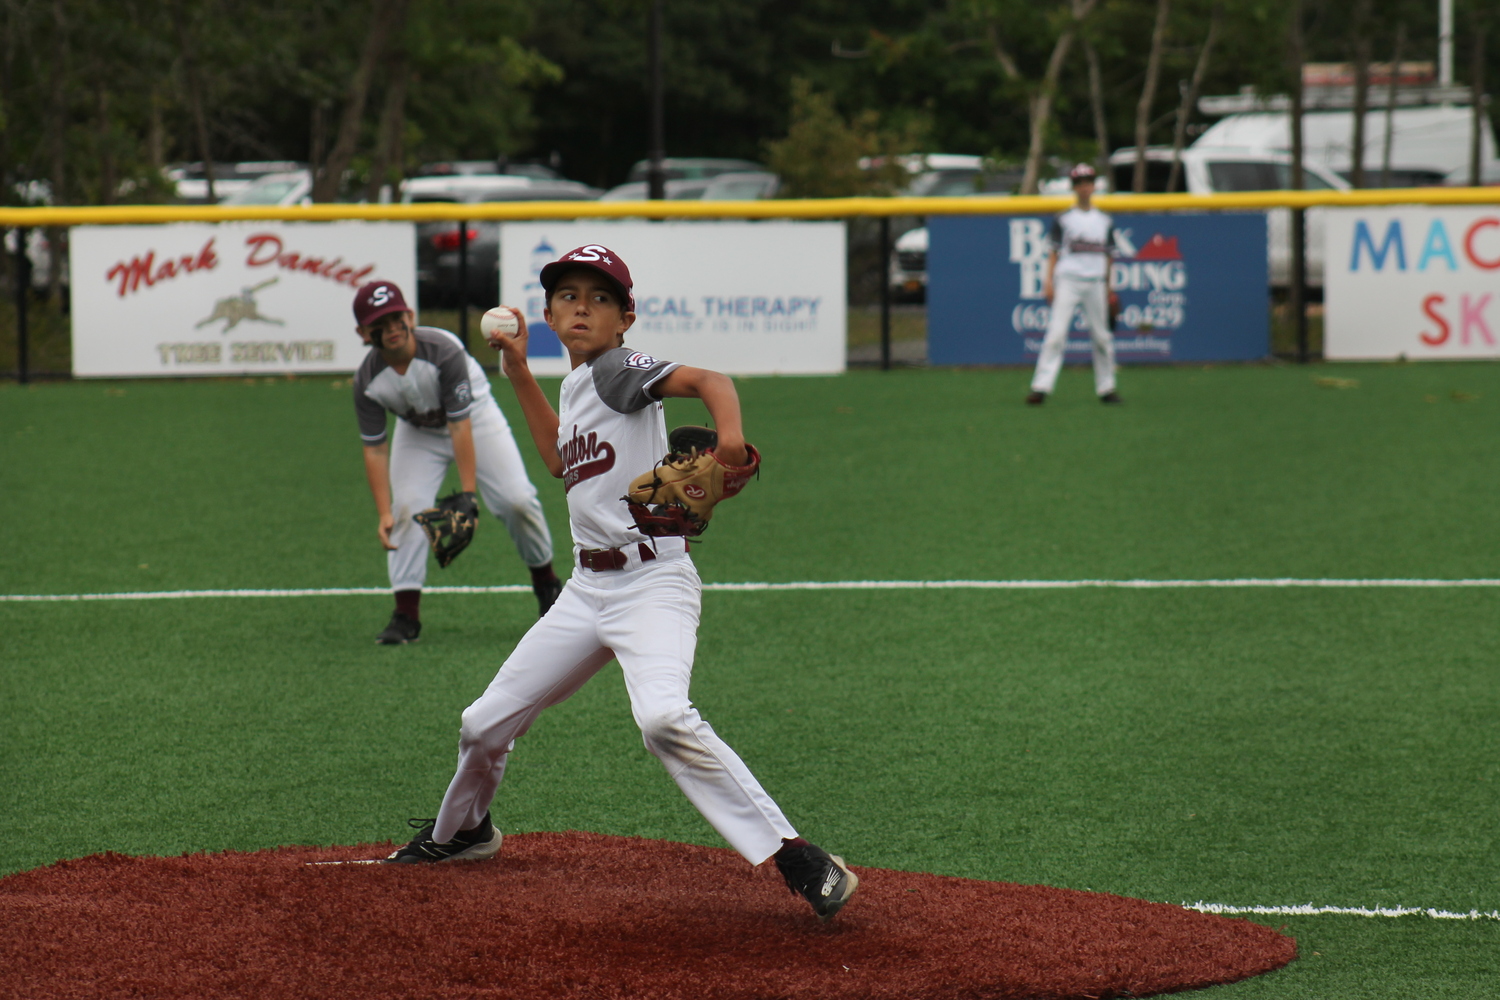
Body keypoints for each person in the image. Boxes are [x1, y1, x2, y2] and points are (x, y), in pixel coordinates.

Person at [381, 245, 859, 924]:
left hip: (652, 585)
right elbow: (554, 460)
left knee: (663, 718)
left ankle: (796, 856)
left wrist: (728, 442)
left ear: (625, 318)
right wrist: (518, 368)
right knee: (482, 725)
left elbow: (714, 380)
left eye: (599, 297)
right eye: (568, 295)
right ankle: (465, 832)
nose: (581, 306)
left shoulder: (621, 369)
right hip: (584, 592)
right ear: (548, 314)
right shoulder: (580, 384)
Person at [350, 279, 562, 644]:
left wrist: (467, 495)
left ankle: (547, 584)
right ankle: (406, 614)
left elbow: (460, 426)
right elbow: (375, 449)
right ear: (363, 332)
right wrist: (384, 512)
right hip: (417, 429)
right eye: (378, 324)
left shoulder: (442, 351)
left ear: (410, 316)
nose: (391, 329)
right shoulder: (367, 380)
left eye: (396, 317)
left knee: (517, 499)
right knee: (406, 510)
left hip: (474, 418)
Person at [1026, 163, 1122, 406]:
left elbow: (1109, 256)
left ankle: (1107, 388)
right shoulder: (1064, 218)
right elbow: (1054, 253)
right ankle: (1040, 387)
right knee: (1056, 335)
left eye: (1087, 181)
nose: (1084, 186)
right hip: (1068, 280)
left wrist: (1108, 287)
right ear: (1074, 187)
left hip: (1096, 282)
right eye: (1079, 182)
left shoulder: (1104, 220)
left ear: (1094, 185)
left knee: (1101, 337)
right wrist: (1049, 282)